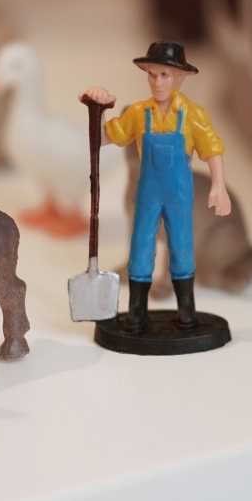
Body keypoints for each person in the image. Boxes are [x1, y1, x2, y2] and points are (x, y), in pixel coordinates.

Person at [82, 41, 231, 334]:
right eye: (152, 74)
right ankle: (137, 311)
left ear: (179, 77)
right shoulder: (138, 113)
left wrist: (219, 185)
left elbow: (211, 149)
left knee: (181, 246)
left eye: (164, 74)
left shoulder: (193, 113)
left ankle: (186, 311)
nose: (157, 81)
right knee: (141, 246)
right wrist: (96, 106)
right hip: (148, 193)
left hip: (179, 193)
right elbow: (104, 137)